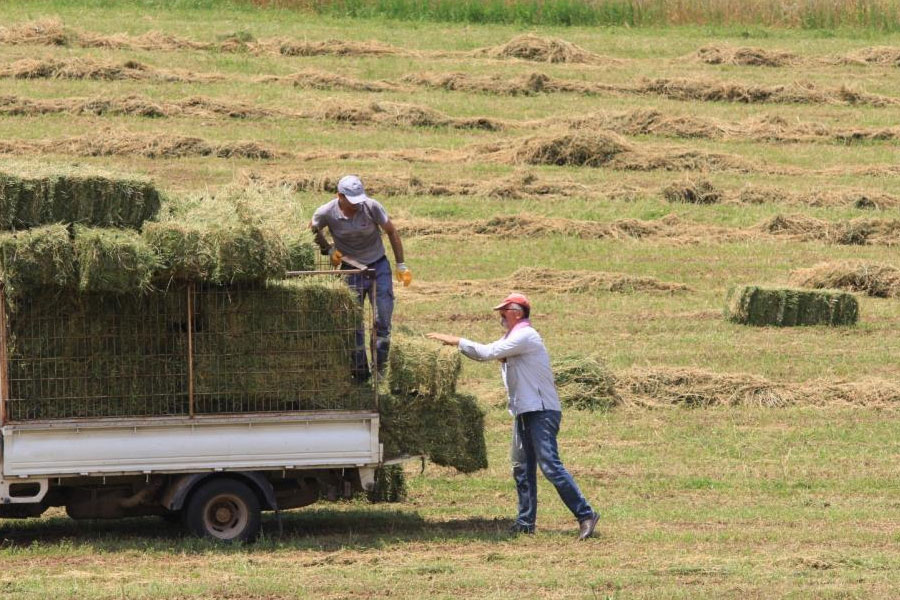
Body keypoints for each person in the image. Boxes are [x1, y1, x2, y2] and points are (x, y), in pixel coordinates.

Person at [427, 292, 600, 540]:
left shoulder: (525, 335)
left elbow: (486, 352)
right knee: (522, 467)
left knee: (550, 465)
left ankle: (586, 514)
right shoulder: (514, 338)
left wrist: (455, 340)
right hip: (524, 411)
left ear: (517, 313)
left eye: (504, 312)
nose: (500, 316)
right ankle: (525, 522)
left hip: (541, 411)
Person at [310, 175, 410, 381]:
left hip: (378, 267)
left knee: (382, 320)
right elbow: (312, 228)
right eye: (352, 201)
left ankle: (381, 370)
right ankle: (360, 373)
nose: (357, 205)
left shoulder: (371, 207)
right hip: (351, 271)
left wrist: (401, 264)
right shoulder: (327, 212)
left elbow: (391, 231)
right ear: (340, 196)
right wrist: (328, 250)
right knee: (353, 323)